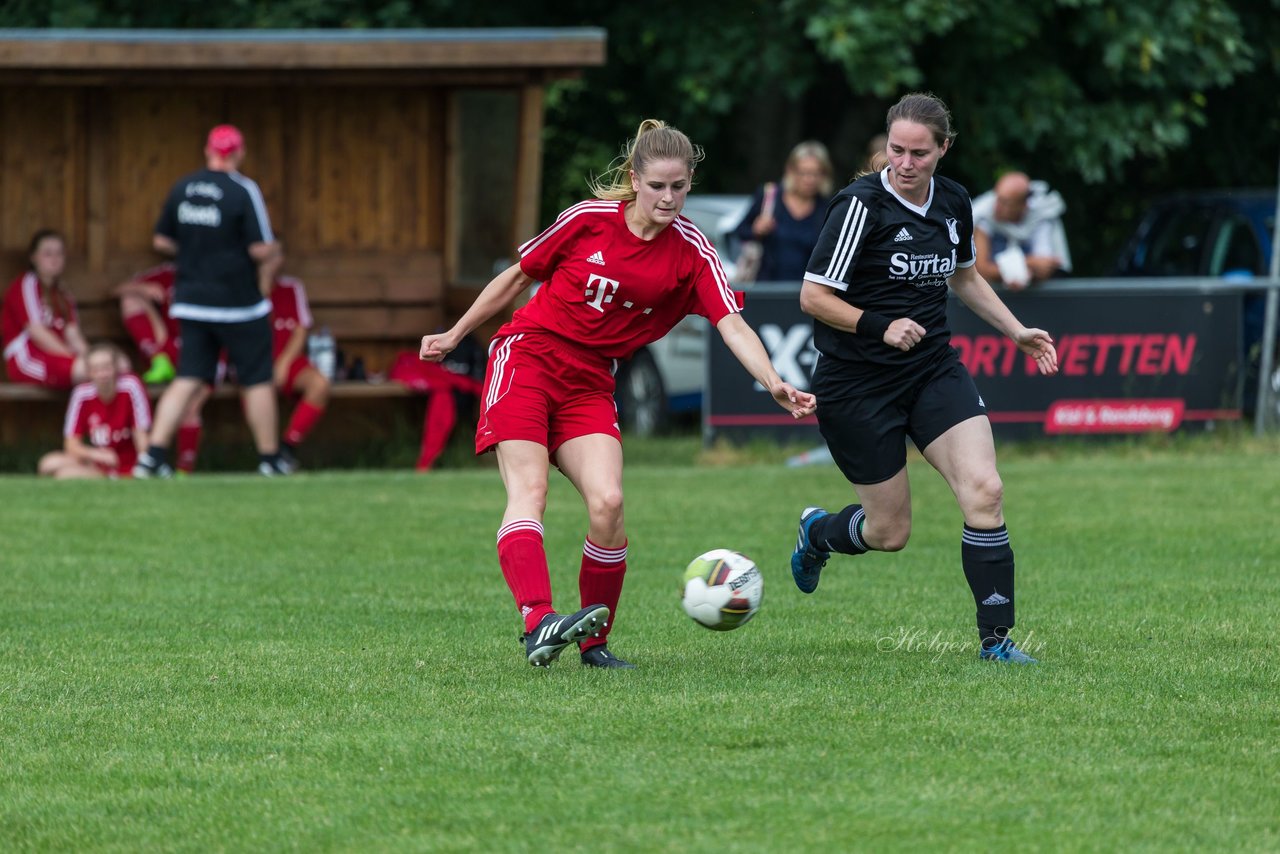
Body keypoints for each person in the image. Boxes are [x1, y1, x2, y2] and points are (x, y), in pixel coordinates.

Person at [420, 119, 816, 669]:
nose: (669, 197)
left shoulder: (693, 253)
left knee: (609, 504)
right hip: (528, 358)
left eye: (679, 187)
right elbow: (516, 278)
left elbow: (732, 323)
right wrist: (456, 333)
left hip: (590, 382)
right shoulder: (588, 221)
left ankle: (593, 646)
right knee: (529, 492)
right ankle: (537, 621)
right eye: (657, 186)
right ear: (635, 179)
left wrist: (772, 380)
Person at [791, 92, 1059, 664]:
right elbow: (813, 296)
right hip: (856, 384)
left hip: (933, 369)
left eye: (919, 152)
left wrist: (1015, 330)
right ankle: (817, 533)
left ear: (943, 149)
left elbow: (963, 276)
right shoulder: (859, 206)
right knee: (890, 532)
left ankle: (997, 643)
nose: (905, 163)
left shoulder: (955, 201)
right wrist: (879, 326)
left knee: (985, 491)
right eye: (896, 151)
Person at [132, 124, 288, 478]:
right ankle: (269, 459)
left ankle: (152, 457)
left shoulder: (183, 186)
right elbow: (259, 248)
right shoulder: (243, 189)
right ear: (238, 153)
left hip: (192, 300)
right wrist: (278, 247)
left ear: (208, 151)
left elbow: (162, 241)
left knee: (188, 376)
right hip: (239, 304)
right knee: (257, 379)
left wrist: (195, 251)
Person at [38, 342, 151, 479]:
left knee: (64, 475)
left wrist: (144, 466)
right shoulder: (82, 394)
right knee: (48, 464)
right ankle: (102, 477)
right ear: (89, 372)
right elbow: (71, 444)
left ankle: (121, 477)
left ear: (115, 368)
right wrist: (96, 454)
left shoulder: (130, 386)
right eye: (96, 369)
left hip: (127, 464)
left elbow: (141, 435)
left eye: (106, 367)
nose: (102, 374)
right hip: (97, 464)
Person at [731, 140, 834, 283]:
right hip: (767, 288)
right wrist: (756, 229)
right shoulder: (769, 197)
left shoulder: (827, 207)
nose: (809, 180)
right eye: (804, 173)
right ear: (790, 171)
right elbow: (740, 232)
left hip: (806, 292)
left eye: (816, 174)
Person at [2, 229, 91, 389]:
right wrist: (75, 359)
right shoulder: (26, 284)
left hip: (59, 357)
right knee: (87, 372)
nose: (55, 259)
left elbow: (73, 334)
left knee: (115, 367)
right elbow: (37, 333)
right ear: (34, 257)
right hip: (29, 358)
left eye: (59, 253)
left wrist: (92, 358)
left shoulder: (63, 293)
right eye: (48, 254)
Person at [268, 273, 330, 470]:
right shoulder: (238, 287)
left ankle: (287, 449)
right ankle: (268, 456)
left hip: (289, 359)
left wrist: (283, 363)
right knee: (257, 390)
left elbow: (300, 329)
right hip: (253, 362)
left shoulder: (291, 287)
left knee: (320, 384)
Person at [971, 171, 1071, 291]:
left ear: (1023, 205)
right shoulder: (983, 214)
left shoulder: (1041, 214)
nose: (997, 206)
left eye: (1005, 202)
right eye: (998, 198)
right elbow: (980, 271)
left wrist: (1024, 275)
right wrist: (1028, 263)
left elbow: (1044, 268)